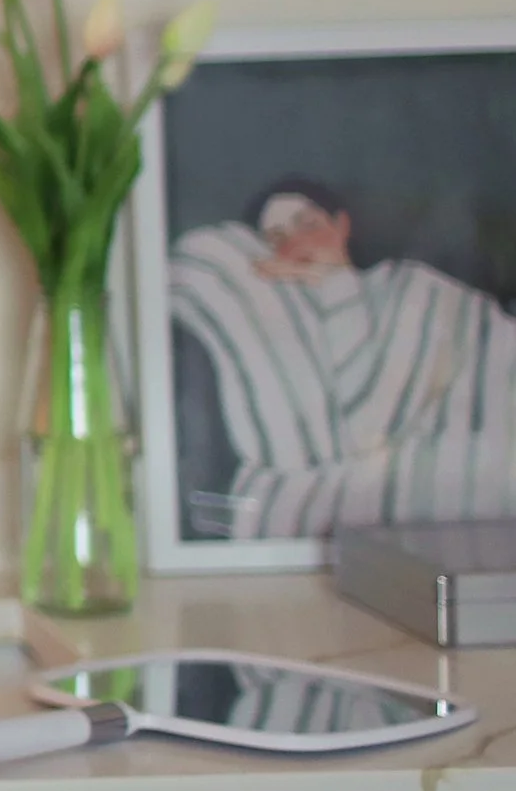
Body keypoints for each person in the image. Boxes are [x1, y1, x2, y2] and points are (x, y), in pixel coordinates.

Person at [170, 177, 516, 538]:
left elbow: (377, 418)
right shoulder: (296, 324)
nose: (297, 241)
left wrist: (336, 279)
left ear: (341, 226)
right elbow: (364, 430)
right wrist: (334, 285)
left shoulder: (408, 286)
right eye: (277, 238)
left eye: (308, 224)